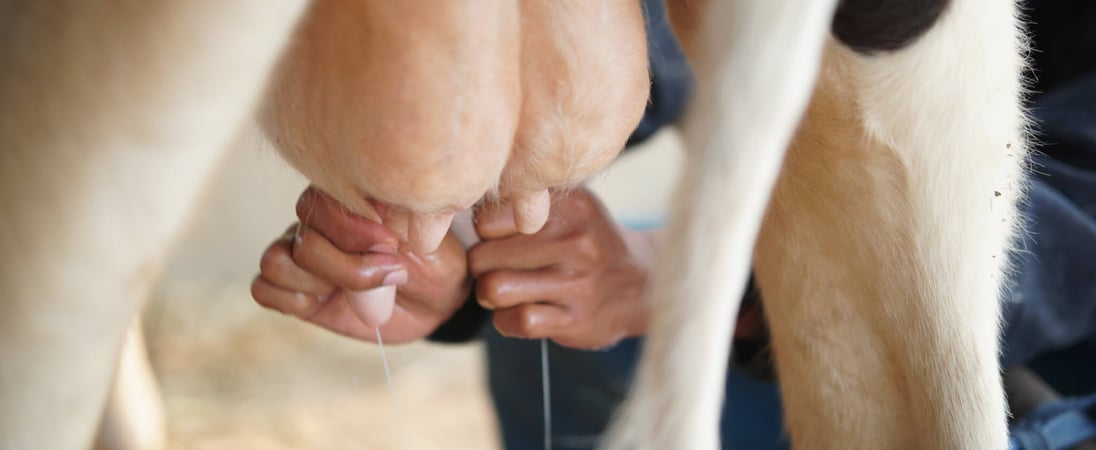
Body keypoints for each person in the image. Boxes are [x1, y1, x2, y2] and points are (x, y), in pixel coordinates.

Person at [252, 1, 1096, 448]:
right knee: (551, 336)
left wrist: (683, 280)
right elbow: (697, 39)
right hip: (868, 273)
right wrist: (457, 249)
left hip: (1062, 357)